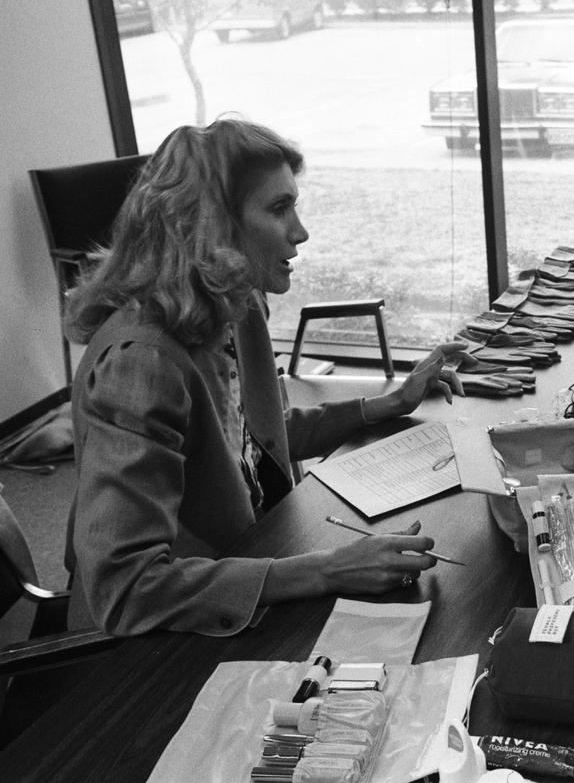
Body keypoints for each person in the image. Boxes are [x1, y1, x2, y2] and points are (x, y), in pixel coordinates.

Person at [62, 117, 472, 638]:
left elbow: (251, 441)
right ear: (211, 227)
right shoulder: (141, 362)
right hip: (153, 647)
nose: (300, 231)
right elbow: (125, 591)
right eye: (279, 209)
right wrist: (326, 570)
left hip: (243, 579)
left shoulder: (236, 305)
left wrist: (386, 405)